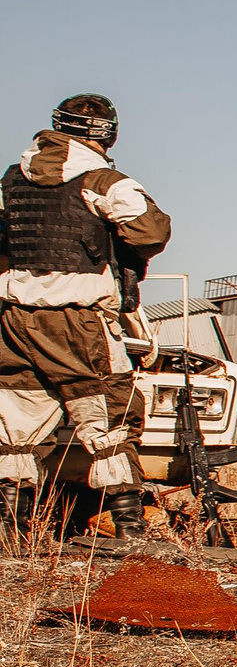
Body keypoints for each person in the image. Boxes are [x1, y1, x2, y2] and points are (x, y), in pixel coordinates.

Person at [0, 95, 169, 538]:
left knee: (17, 423)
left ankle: (12, 532)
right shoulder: (104, 181)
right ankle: (129, 529)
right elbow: (151, 232)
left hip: (15, 318)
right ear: (108, 134)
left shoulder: (11, 180)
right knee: (109, 416)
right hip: (80, 321)